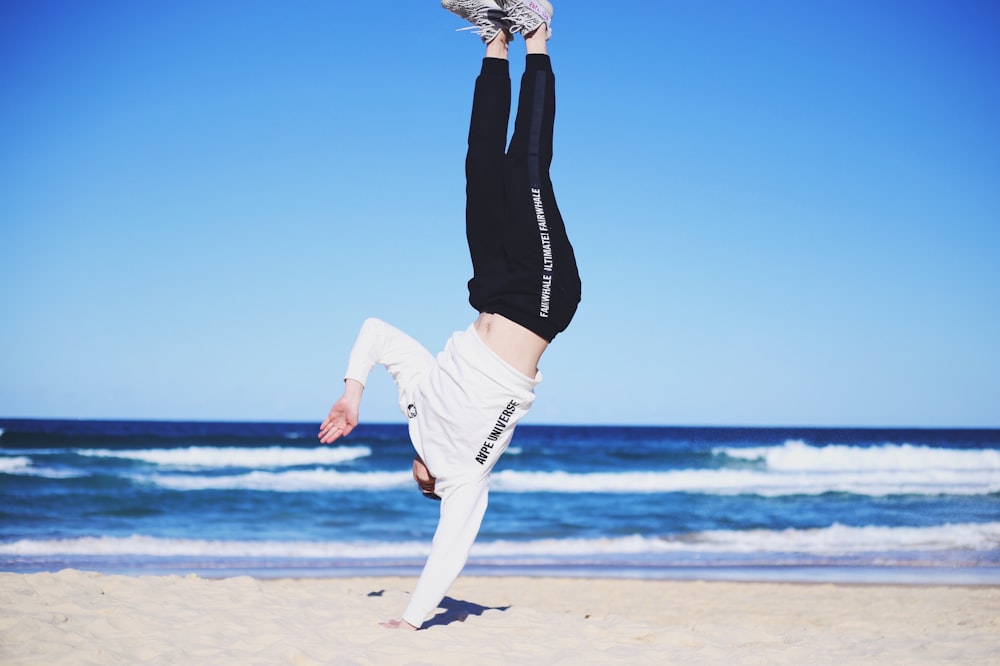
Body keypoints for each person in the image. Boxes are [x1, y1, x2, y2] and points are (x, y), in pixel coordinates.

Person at [317, 0, 580, 630]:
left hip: (491, 291)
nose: (414, 477)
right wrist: (412, 618)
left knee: (480, 169)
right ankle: (538, 30)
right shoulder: (465, 475)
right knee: (526, 167)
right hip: (543, 297)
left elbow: (377, 331)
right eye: (419, 486)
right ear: (429, 485)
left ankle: (494, 38)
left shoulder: (417, 409)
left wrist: (351, 395)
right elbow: (450, 548)